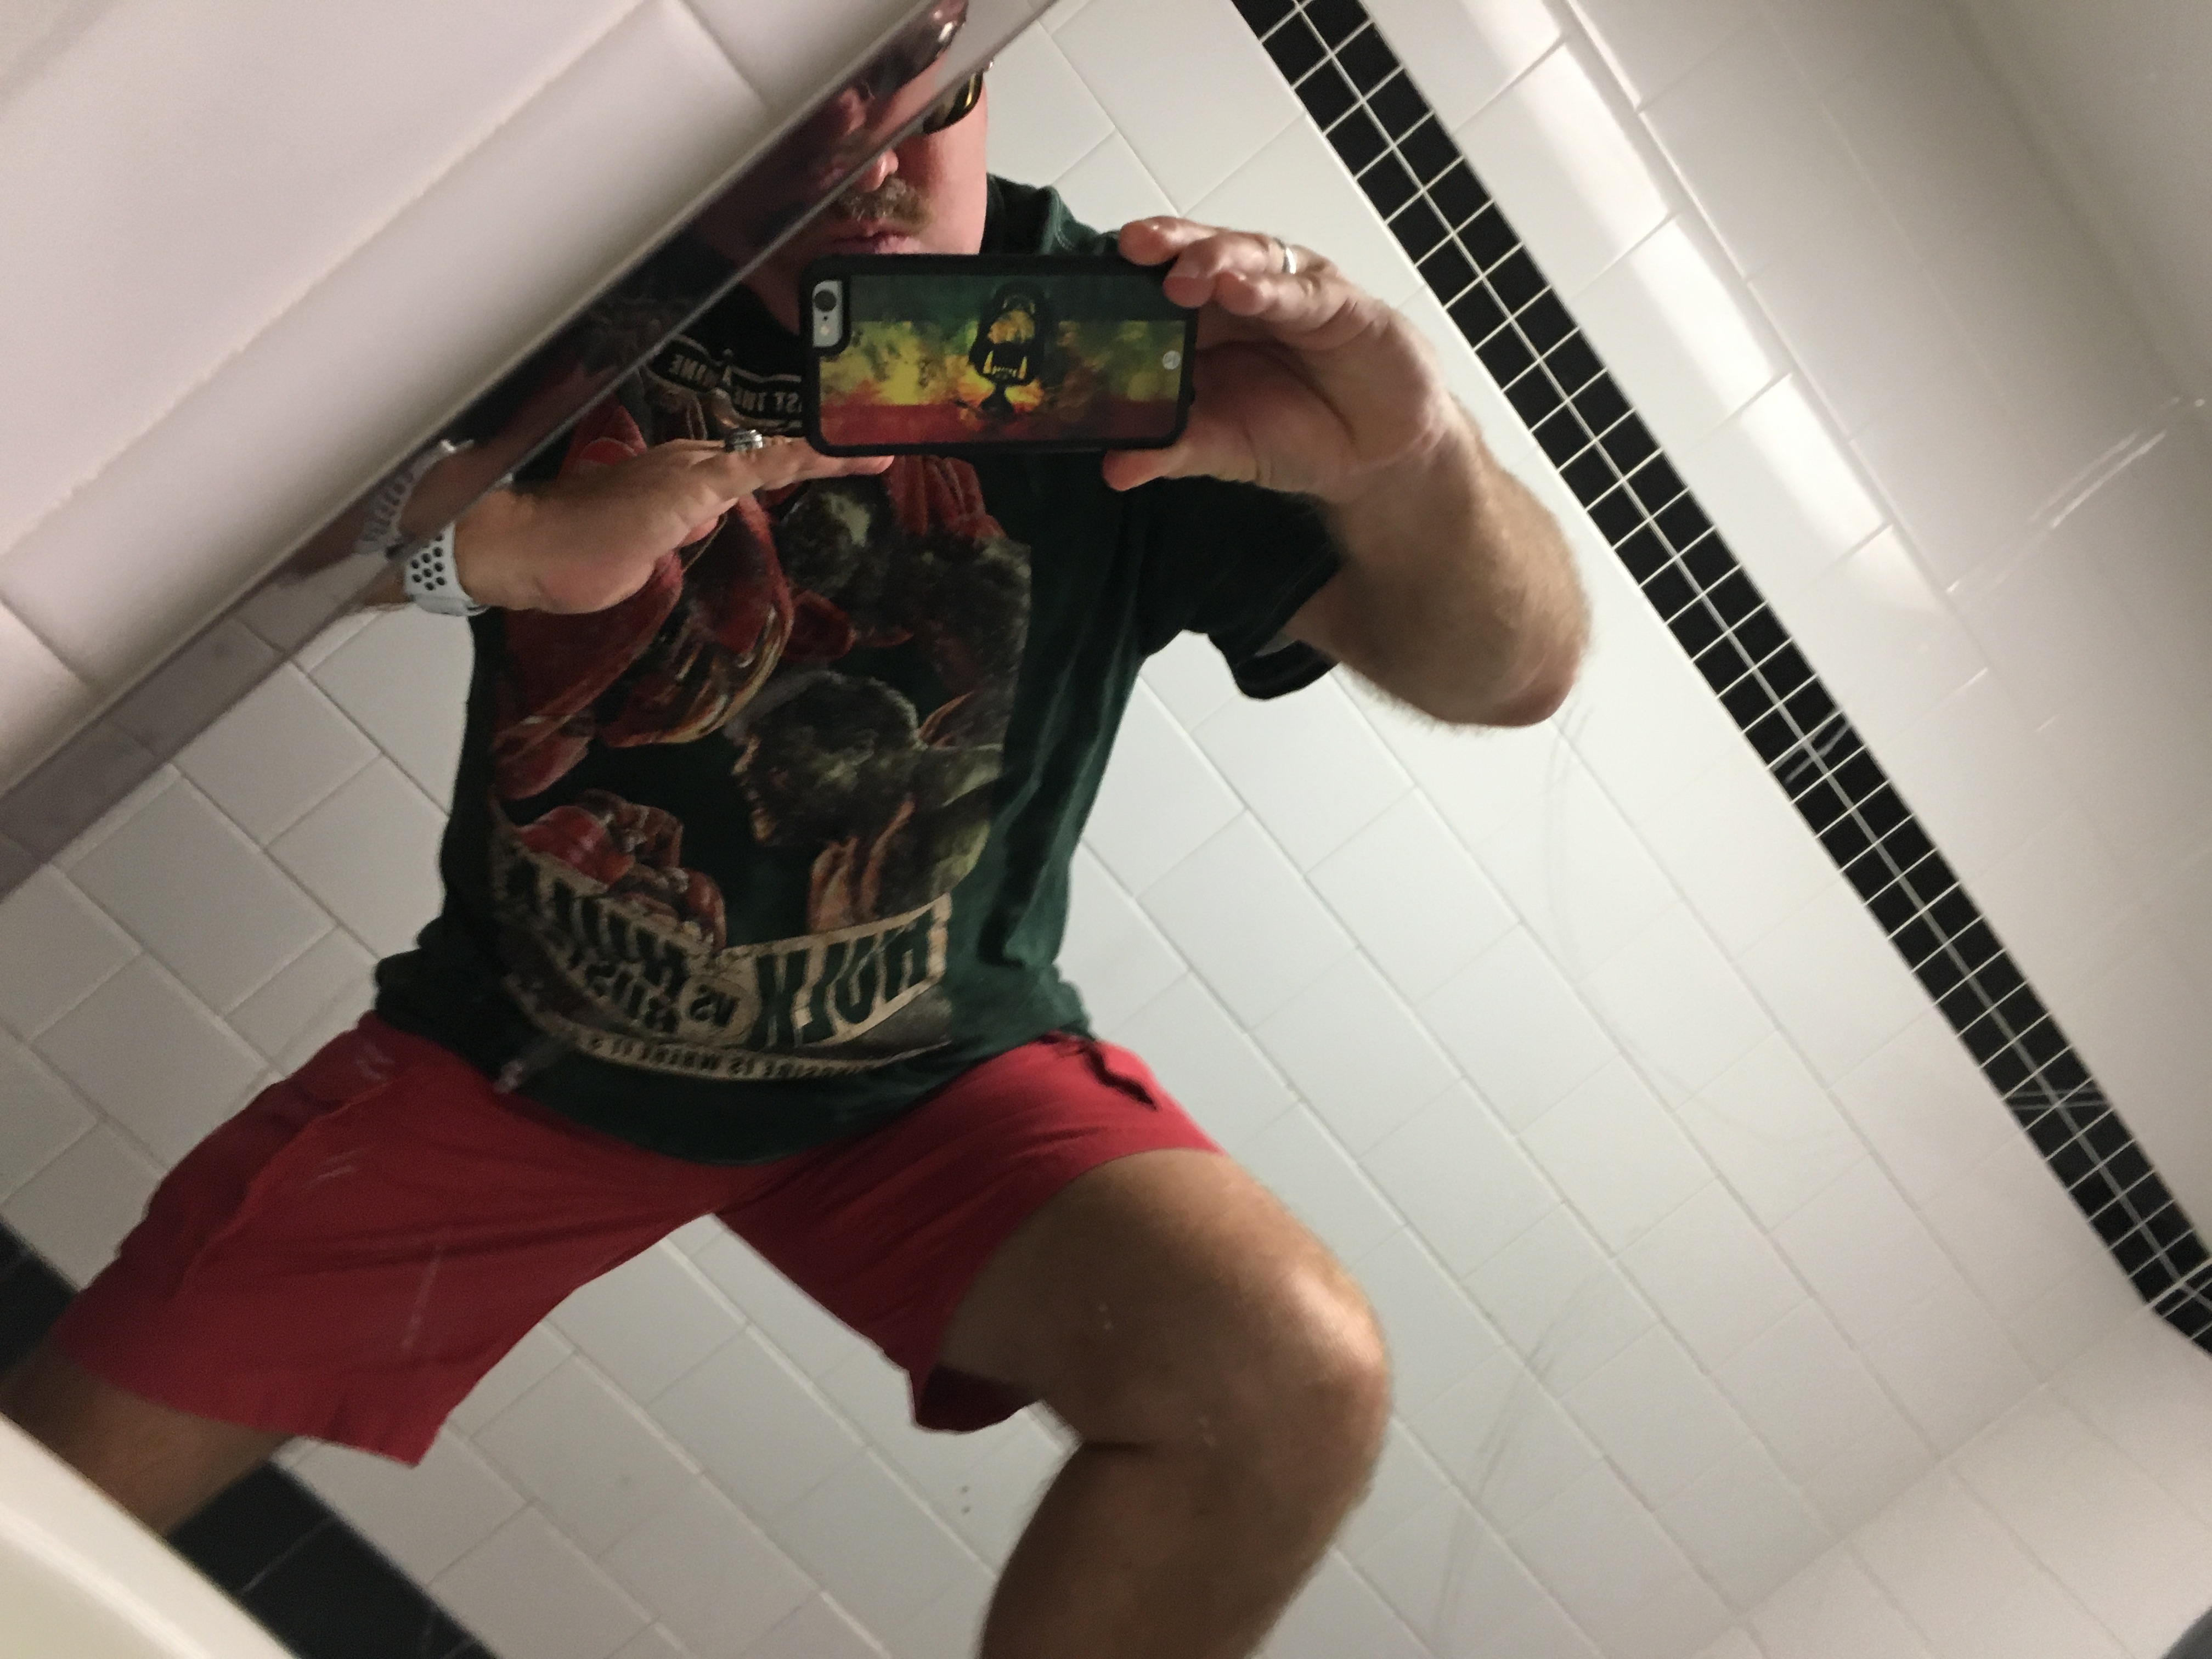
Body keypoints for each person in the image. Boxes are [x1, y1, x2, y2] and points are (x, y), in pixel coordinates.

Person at [0, 58, 1586, 1659]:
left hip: (926, 1079)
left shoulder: (1093, 339)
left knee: (1286, 1377)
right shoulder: (581, 275)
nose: (864, 156)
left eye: (914, 80)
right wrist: (488, 547)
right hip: (514, 1061)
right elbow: (188, 524)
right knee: (42, 1501)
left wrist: (1412, 463)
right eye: (807, 95)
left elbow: (1508, 673)